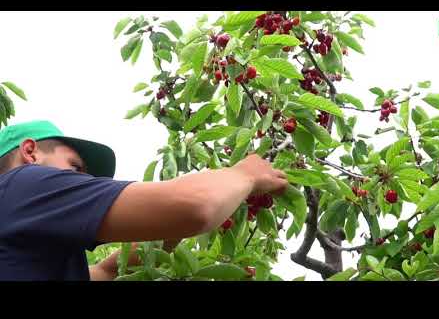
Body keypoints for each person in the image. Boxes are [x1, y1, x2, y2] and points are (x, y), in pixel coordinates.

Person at [0, 120, 288, 281]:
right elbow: (197, 205)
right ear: (30, 152)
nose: (81, 180)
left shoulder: (31, 241)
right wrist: (244, 174)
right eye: (75, 168)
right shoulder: (24, 184)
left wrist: (165, 231)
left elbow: (104, 271)